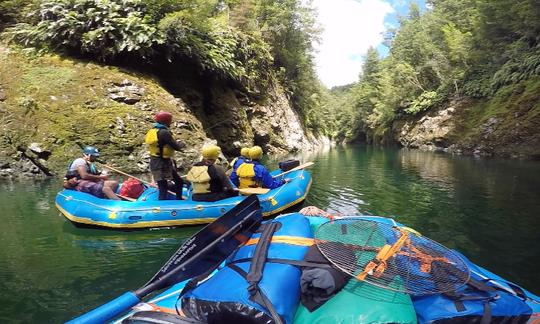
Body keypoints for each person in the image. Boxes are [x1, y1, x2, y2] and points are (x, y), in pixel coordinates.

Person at [145, 111, 185, 200]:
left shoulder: (153, 130)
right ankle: (161, 206)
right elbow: (176, 147)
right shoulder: (164, 132)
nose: (171, 122)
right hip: (162, 163)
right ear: (166, 121)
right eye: (170, 120)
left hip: (155, 161)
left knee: (178, 182)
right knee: (164, 187)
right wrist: (182, 144)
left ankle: (179, 200)